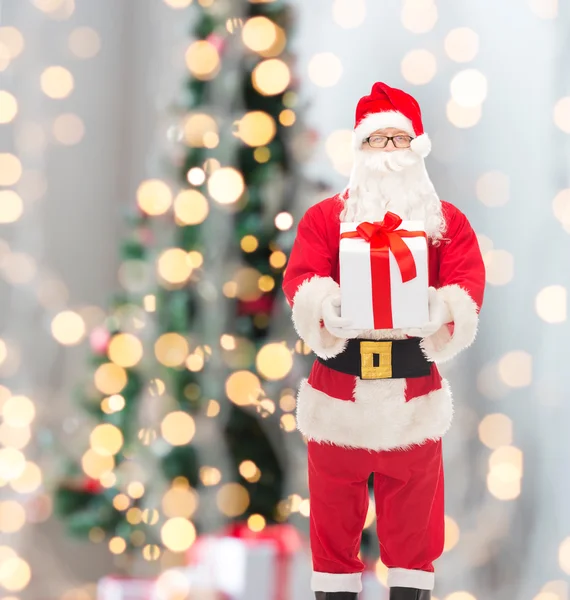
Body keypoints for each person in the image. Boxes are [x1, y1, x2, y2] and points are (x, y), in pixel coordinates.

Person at [282, 82, 486, 600]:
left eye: (399, 140)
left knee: (415, 525)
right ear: (359, 148)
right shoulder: (327, 219)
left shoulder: (446, 225)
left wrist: (441, 309)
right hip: (339, 397)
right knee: (332, 523)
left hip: (412, 397)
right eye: (378, 141)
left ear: (418, 147)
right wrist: (324, 307)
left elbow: (465, 283)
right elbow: (303, 277)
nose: (389, 152)